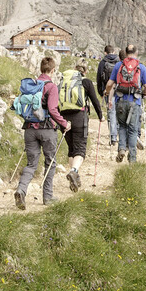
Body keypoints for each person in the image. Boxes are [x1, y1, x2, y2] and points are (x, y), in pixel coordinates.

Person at [15, 56, 70, 209]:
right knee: (50, 162)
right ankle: (48, 197)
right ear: (53, 70)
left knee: (31, 163)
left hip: (30, 129)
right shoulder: (51, 86)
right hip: (47, 129)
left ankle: (21, 190)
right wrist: (64, 123)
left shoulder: (32, 85)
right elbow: (52, 110)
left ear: (40, 69)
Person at [59, 60, 104, 192]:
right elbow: (95, 101)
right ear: (85, 71)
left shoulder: (65, 82)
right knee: (80, 149)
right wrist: (101, 116)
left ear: (74, 69)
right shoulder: (86, 82)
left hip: (63, 118)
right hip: (79, 116)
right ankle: (74, 171)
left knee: (71, 148)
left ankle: (75, 178)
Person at [105, 44, 146, 164]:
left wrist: (107, 92)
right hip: (135, 102)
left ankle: (121, 149)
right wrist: (144, 94)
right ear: (137, 52)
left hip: (120, 101)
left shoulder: (119, 65)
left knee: (122, 126)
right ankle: (133, 159)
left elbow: (110, 84)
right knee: (133, 129)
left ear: (125, 52)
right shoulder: (141, 67)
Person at [95, 45, 121, 146]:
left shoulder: (102, 62)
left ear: (105, 52)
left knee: (111, 113)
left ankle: (113, 137)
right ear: (114, 51)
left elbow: (99, 78)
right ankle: (120, 134)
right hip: (119, 91)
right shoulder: (119, 62)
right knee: (119, 112)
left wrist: (101, 92)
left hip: (107, 91)